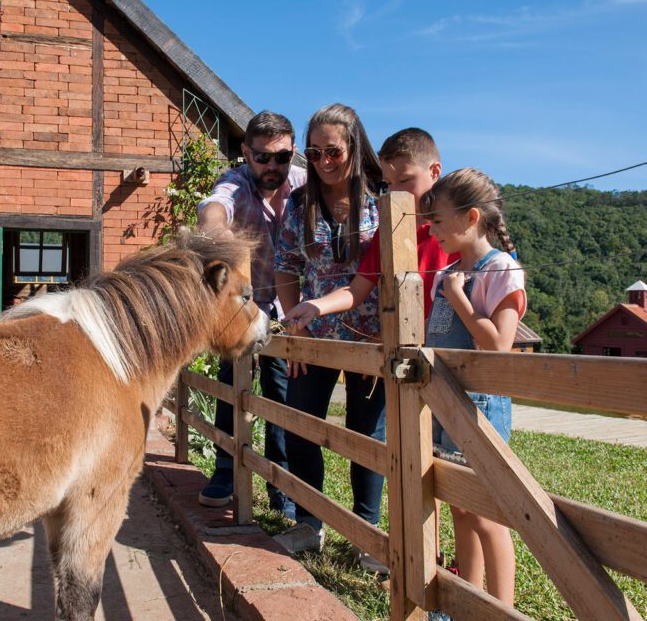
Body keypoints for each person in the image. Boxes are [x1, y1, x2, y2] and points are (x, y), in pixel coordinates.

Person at [272, 103, 388, 574]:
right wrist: (293, 325)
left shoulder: (384, 199)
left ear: (355, 147)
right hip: (313, 333)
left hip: (370, 338)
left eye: (333, 151)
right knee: (301, 425)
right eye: (315, 152)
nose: (323, 161)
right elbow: (286, 266)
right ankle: (308, 522)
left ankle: (367, 534)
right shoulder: (300, 205)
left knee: (368, 437)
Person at [194, 110, 306, 519]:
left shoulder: (302, 186)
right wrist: (216, 236)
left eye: (282, 157)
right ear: (245, 153)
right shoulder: (236, 184)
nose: (273, 166)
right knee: (232, 385)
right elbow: (214, 207)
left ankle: (281, 486)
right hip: (244, 309)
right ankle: (225, 470)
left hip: (288, 310)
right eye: (262, 158)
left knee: (282, 396)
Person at [420, 167, 523, 605]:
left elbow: (499, 345)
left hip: (480, 405)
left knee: (486, 514)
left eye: (438, 221)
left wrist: (460, 297)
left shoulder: (500, 269)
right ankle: (469, 602)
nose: (432, 230)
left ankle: (501, 608)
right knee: (460, 506)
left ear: (471, 217)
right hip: (446, 401)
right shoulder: (446, 273)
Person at [282, 127, 455, 330]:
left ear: (434, 171)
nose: (396, 191)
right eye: (389, 183)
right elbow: (356, 290)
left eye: (404, 180)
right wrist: (315, 306)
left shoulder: (457, 228)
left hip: (450, 346)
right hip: (406, 348)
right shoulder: (389, 231)